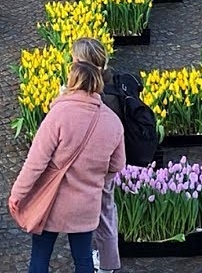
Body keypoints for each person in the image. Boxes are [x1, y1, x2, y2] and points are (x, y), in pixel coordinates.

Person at [10, 61, 125, 273]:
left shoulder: (59, 114)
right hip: (86, 203)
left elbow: (36, 162)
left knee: (40, 258)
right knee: (83, 260)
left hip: (51, 200)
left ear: (72, 82)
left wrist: (17, 193)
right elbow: (117, 164)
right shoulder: (113, 121)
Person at [69, 39, 124, 273]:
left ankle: (107, 263)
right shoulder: (109, 80)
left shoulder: (104, 96)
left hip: (97, 164)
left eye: (73, 60)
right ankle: (104, 259)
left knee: (103, 213)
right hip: (103, 163)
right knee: (105, 211)